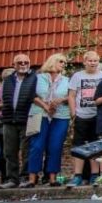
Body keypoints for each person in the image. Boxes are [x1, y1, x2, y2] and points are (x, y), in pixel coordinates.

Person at [29, 53, 71, 187]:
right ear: (52, 61)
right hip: (39, 113)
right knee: (37, 146)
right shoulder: (38, 77)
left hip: (60, 115)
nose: (63, 64)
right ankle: (32, 178)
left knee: (55, 146)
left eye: (64, 62)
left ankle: (52, 178)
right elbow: (32, 95)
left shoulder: (66, 80)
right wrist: (46, 106)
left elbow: (71, 95)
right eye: (60, 61)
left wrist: (62, 99)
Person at [68, 51, 102, 186]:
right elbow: (72, 95)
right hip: (81, 115)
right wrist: (74, 113)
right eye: (90, 61)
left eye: (95, 60)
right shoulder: (77, 76)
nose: (93, 63)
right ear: (84, 62)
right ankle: (77, 175)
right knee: (79, 146)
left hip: (98, 116)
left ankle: (94, 175)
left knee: (95, 146)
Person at [1, 54, 37, 188]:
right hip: (9, 119)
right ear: (14, 65)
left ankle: (24, 177)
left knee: (27, 151)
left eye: (26, 62)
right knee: (9, 151)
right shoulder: (8, 80)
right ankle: (12, 179)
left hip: (27, 118)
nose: (23, 64)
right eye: (20, 62)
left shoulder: (35, 78)